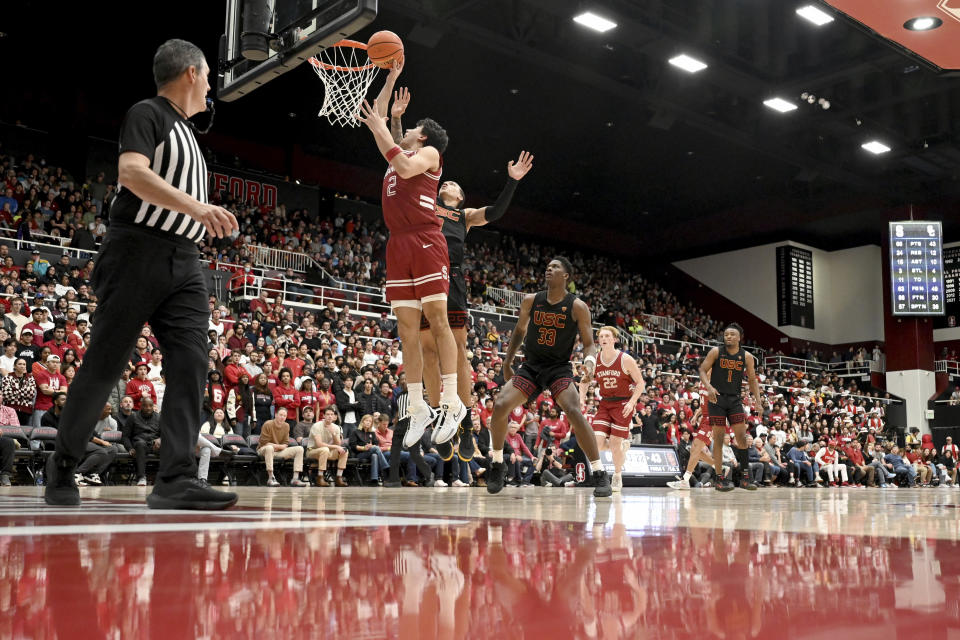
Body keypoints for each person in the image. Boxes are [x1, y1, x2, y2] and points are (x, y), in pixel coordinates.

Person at [44, 40, 238, 509]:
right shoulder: (147, 113)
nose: (212, 83)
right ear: (191, 73)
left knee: (192, 360)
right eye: (209, 74)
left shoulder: (191, 134)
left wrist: (195, 217)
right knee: (106, 365)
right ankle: (64, 462)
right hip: (136, 250)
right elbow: (131, 172)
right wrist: (197, 207)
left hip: (186, 260)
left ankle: (174, 476)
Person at [394, 80, 532, 460]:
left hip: (449, 276)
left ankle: (467, 421)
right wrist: (396, 123)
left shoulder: (464, 215)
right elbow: (399, 158)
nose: (449, 182)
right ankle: (442, 416)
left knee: (455, 349)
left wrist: (511, 182)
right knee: (426, 352)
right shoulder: (424, 198)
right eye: (448, 181)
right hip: (420, 270)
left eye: (454, 184)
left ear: (459, 197)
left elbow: (499, 213)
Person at [356, 72, 466, 449]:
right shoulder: (402, 151)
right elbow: (388, 128)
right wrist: (390, 77)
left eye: (412, 128)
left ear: (423, 138)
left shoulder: (432, 153)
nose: (405, 129)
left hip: (426, 240)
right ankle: (418, 404)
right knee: (405, 330)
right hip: (398, 244)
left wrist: (381, 126)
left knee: (436, 320)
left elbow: (403, 163)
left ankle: (452, 401)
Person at [485, 258, 611, 497]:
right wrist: (508, 361)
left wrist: (589, 362)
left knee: (574, 410)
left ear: (566, 276)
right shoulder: (532, 300)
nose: (549, 269)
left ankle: (599, 471)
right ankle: (498, 464)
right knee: (500, 405)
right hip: (531, 367)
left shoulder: (577, 306)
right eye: (548, 267)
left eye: (555, 267)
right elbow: (519, 331)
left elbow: (589, 344)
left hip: (558, 368)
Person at [699, 323, 765, 491]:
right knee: (719, 440)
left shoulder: (747, 356)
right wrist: (708, 387)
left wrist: (757, 401)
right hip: (717, 400)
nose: (728, 336)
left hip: (735, 400)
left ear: (739, 338)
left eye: (731, 334)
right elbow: (702, 370)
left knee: (742, 438)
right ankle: (719, 479)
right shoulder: (716, 352)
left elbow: (752, 380)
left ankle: (745, 478)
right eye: (726, 334)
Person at [585, 326, 645, 492]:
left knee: (614, 443)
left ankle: (617, 475)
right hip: (604, 403)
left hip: (622, 404)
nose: (603, 338)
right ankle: (619, 447)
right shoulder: (595, 360)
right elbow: (584, 380)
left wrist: (632, 403)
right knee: (595, 443)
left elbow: (640, 383)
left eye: (607, 336)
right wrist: (581, 400)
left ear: (614, 339)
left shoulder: (625, 359)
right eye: (601, 336)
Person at [74, 403, 118, 487]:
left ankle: (92, 474)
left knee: (113, 449)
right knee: (101, 451)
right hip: (76, 443)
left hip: (89, 443)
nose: (110, 412)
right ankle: (77, 473)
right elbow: (86, 435)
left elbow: (94, 434)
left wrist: (104, 441)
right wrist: (101, 442)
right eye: (108, 409)